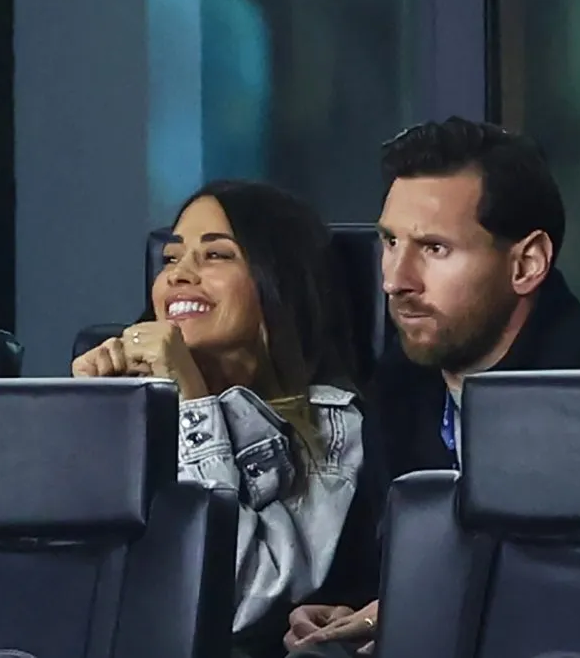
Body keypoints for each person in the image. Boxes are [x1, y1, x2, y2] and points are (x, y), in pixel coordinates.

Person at [283, 118, 580, 657]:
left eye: (434, 248)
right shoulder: (399, 386)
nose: (395, 279)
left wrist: (419, 611)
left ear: (526, 264)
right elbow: (375, 569)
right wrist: (339, 610)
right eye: (390, 242)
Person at [71, 180, 365, 653]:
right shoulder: (129, 399)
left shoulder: (329, 424)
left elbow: (240, 601)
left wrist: (193, 402)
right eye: (171, 258)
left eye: (215, 255)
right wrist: (92, 415)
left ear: (277, 281)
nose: (179, 275)